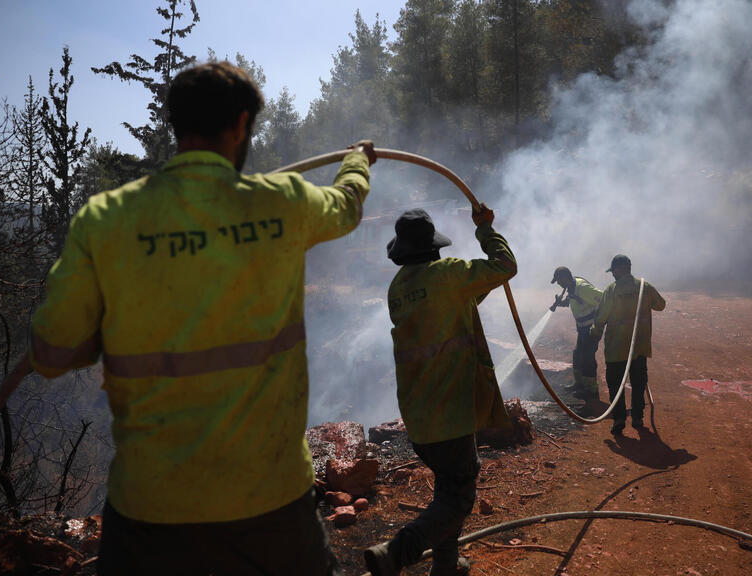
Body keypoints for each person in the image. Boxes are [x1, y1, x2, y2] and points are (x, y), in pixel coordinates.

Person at [29, 61, 375, 575]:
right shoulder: (282, 203)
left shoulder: (105, 220)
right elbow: (346, 206)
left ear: (177, 124)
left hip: (151, 511)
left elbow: (52, 353)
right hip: (271, 503)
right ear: (240, 125)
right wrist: (356, 161)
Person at [365, 205, 517, 576]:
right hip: (450, 416)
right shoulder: (447, 275)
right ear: (433, 247)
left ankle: (446, 566)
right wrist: (485, 229)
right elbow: (505, 264)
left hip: (419, 418)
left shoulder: (398, 287)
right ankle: (397, 552)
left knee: (446, 491)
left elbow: (450, 304)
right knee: (460, 498)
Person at [589, 254, 666, 435]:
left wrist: (594, 334)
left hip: (616, 349)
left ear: (619, 269)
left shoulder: (612, 290)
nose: (612, 275)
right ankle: (637, 417)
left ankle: (619, 419)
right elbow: (660, 305)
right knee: (639, 383)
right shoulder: (644, 288)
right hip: (638, 348)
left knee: (616, 384)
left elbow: (600, 318)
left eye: (613, 271)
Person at [549, 266, 603, 408]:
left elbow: (602, 299)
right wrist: (560, 303)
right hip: (582, 328)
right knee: (578, 354)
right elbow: (572, 301)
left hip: (591, 328)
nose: (559, 284)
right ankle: (579, 384)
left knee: (587, 357)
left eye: (559, 281)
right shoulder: (571, 287)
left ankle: (591, 390)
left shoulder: (582, 287)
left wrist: (598, 323)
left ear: (565, 278)